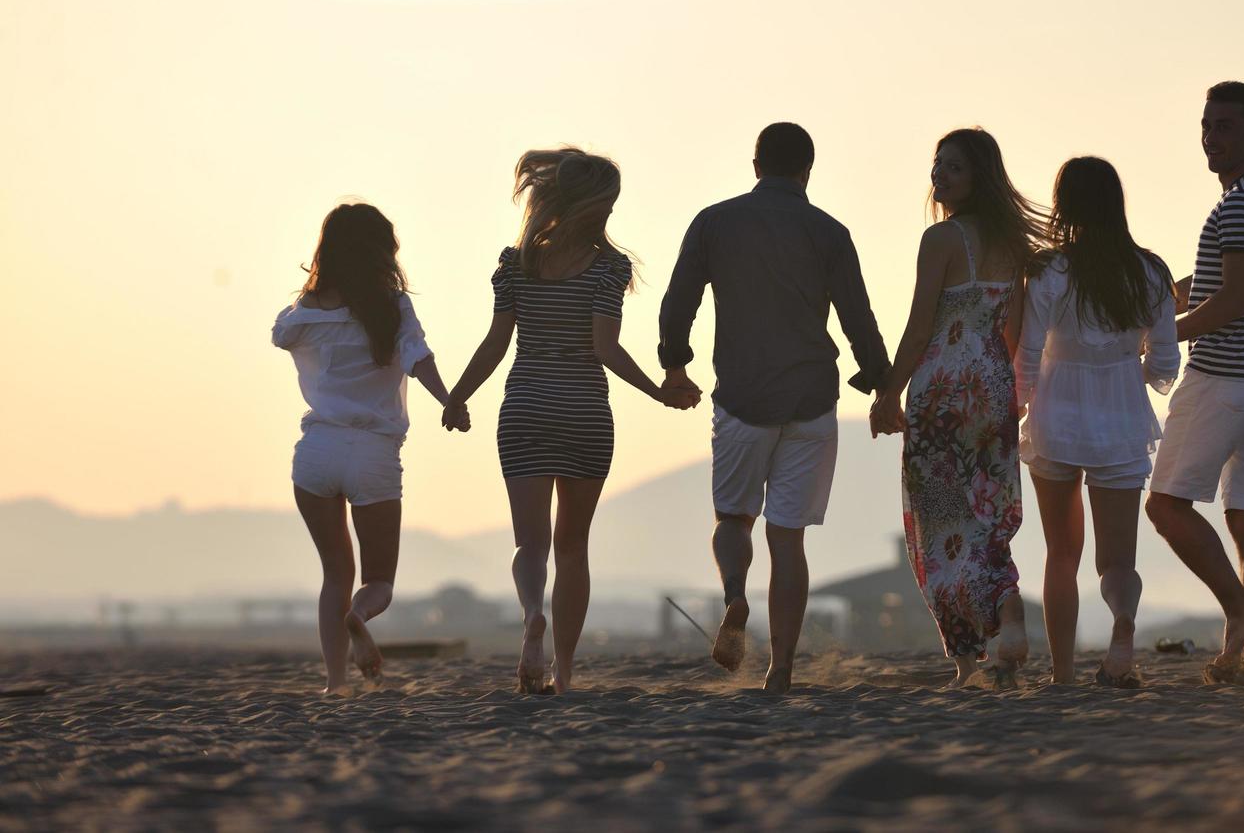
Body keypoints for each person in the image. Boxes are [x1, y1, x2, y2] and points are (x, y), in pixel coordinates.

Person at [445, 148, 699, 694]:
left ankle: (532, 615)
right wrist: (658, 392)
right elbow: (605, 349)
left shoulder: (516, 264)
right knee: (573, 547)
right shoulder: (609, 267)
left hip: (526, 408)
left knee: (529, 544)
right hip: (584, 411)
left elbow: (496, 343)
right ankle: (562, 672)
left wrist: (457, 397)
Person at [658, 122, 890, 694]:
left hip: (742, 395)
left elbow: (678, 300)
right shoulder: (828, 231)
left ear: (756, 163)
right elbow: (857, 314)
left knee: (733, 519)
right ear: (807, 169)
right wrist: (883, 385)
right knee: (788, 539)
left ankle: (736, 595)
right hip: (811, 397)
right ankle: (780, 667)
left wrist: (675, 365)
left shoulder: (715, 222)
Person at [871, 127, 1044, 689]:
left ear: (980, 179)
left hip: (942, 394)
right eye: (937, 165)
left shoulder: (942, 241)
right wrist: (1004, 392)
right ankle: (1006, 608)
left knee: (941, 522)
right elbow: (1013, 332)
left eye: (954, 168)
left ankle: (967, 659)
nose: (940, 176)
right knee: (987, 518)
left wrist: (888, 392)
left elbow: (920, 327)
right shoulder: (1013, 246)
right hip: (992, 389)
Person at [272, 203, 462, 695]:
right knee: (377, 581)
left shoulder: (307, 311)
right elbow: (418, 356)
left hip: (317, 452)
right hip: (373, 453)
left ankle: (335, 683)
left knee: (335, 572)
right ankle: (360, 616)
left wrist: (315, 300)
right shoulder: (392, 306)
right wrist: (449, 401)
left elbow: (280, 334)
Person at [1145, 81, 1244, 681]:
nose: (1212, 138)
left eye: (1226, 127)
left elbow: (1234, 301)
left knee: (1164, 505)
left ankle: (1240, 611)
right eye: (1207, 126)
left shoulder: (1240, 204)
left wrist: (1166, 333)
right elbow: (1234, 282)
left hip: (1228, 376)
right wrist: (1175, 294)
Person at [1015, 157, 1180, 687]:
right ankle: (1124, 622)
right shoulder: (1150, 271)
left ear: (1064, 205)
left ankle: (1062, 674)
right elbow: (1166, 363)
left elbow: (1028, 354)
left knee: (1061, 554)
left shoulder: (1048, 271)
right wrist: (1135, 367)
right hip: (1122, 417)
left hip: (1057, 416)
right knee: (1117, 559)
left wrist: (1017, 404)